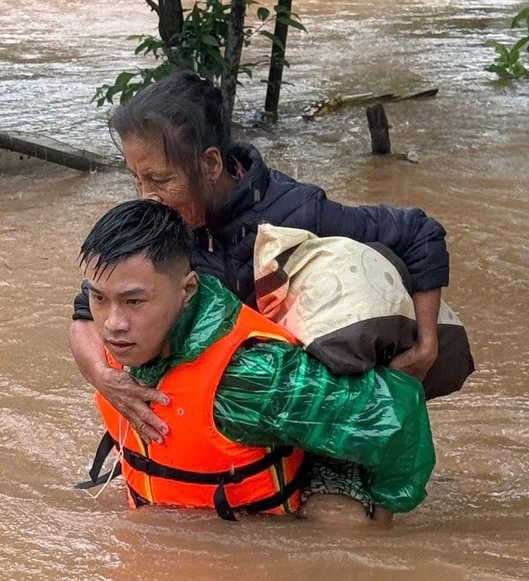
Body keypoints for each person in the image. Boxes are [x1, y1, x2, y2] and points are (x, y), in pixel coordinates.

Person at [70, 70, 450, 446]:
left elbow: (420, 233)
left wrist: (425, 348)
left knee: (333, 508)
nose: (145, 197)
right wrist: (105, 377)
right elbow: (87, 310)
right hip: (215, 417)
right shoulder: (161, 225)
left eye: (160, 180)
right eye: (136, 179)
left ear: (212, 165)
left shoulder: (296, 213)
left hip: (306, 408)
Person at [76, 200, 434, 522]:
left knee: (342, 523)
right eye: (99, 298)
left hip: (276, 494)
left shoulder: (251, 377)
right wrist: (99, 373)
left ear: (187, 290)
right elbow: (82, 320)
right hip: (172, 508)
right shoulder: (116, 337)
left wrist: (385, 520)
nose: (112, 324)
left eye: (134, 303)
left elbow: (397, 411)